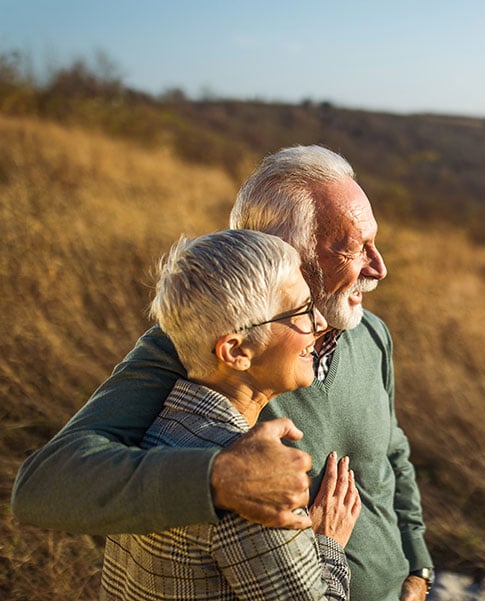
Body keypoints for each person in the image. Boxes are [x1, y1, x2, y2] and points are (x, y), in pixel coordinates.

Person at [12, 145, 435, 601]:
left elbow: (392, 453)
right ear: (281, 252)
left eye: (375, 243)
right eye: (354, 248)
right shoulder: (194, 350)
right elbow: (44, 486)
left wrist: (418, 568)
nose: (379, 268)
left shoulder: (371, 333)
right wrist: (219, 477)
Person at [102, 229, 359, 600]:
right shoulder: (254, 487)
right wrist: (328, 543)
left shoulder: (151, 429)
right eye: (302, 310)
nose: (319, 324)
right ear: (236, 351)